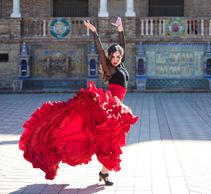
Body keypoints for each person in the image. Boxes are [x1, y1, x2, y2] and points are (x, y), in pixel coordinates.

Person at [19, 17, 138, 186]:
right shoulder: (110, 68)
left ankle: (104, 172)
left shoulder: (121, 66)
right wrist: (94, 31)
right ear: (109, 58)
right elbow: (100, 51)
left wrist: (120, 29)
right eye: (113, 56)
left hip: (118, 107)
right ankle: (103, 172)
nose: (115, 59)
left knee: (112, 141)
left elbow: (122, 46)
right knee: (109, 139)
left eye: (118, 56)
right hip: (110, 107)